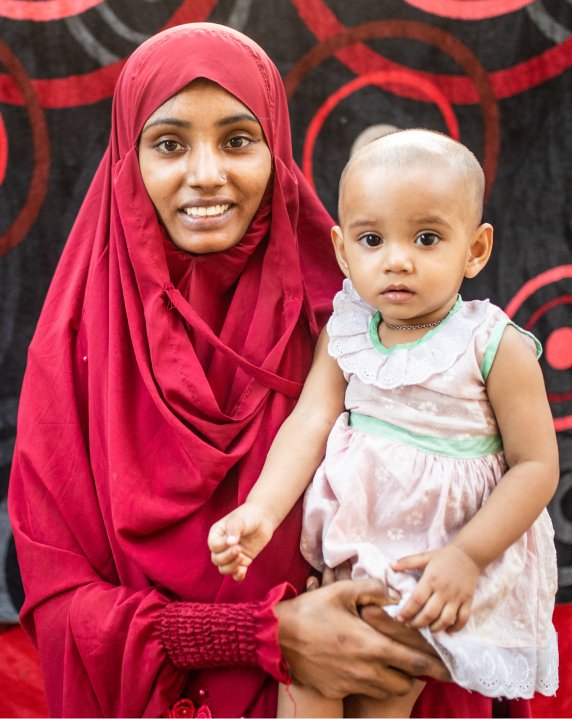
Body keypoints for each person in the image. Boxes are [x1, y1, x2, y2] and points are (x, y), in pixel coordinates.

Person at [7, 22, 467, 719]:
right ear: (127, 159)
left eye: (237, 139)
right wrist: (259, 634)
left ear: (275, 149)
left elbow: (460, 488)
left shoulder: (358, 322)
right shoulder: (76, 343)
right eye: (168, 144)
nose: (205, 174)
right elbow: (60, 601)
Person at [209, 129, 560, 718]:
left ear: (475, 251)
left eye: (426, 238)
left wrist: (468, 556)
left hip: (440, 558)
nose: (396, 259)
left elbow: (535, 466)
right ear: (344, 252)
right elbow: (310, 420)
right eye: (373, 239)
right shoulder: (348, 329)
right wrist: (261, 512)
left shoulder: (492, 345)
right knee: (307, 677)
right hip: (355, 549)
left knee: (386, 682)